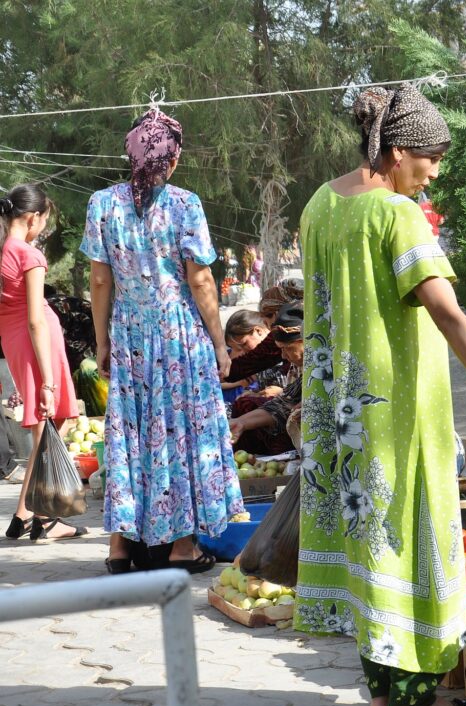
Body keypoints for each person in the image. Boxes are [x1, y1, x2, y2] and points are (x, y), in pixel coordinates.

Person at [298, 83, 466, 706]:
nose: (433, 174)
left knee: (369, 547)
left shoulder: (321, 204)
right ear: (399, 151)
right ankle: (411, 702)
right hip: (395, 410)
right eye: (430, 159)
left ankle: (382, 696)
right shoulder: (397, 214)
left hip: (339, 413)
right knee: (405, 544)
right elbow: (447, 312)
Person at [81, 108, 243, 575]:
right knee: (180, 431)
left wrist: (103, 341)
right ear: (171, 160)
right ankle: (181, 549)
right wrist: (219, 343)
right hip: (178, 337)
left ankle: (120, 547)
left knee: (131, 435)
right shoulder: (184, 204)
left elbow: (99, 280)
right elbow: (201, 280)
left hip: (129, 334)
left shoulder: (102, 204)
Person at [0, 184, 86, 541]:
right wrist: (49, 383)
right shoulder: (28, 255)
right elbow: (36, 319)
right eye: (45, 221)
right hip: (38, 341)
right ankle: (46, 518)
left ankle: (23, 515)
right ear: (33, 218)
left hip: (14, 341)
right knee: (55, 420)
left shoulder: (2, 252)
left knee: (43, 428)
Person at [228, 302, 303, 454]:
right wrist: (240, 422)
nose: (283, 356)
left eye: (287, 348)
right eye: (280, 349)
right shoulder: (307, 373)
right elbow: (283, 403)